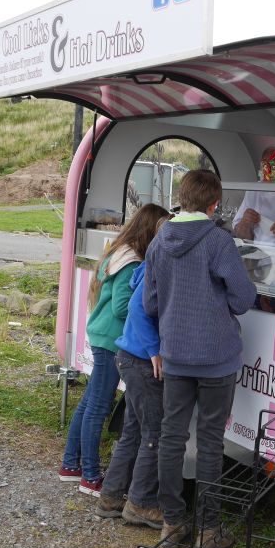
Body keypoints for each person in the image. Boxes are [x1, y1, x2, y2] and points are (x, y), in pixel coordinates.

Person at [143, 169, 256, 548]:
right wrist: (215, 306)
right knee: (210, 442)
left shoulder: (159, 242)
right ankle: (208, 531)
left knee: (171, 438)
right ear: (214, 204)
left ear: (182, 198)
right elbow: (243, 298)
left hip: (175, 355)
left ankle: (172, 524)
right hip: (216, 359)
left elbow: (150, 303)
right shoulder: (219, 242)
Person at [59, 203, 169, 496]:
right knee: (98, 407)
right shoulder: (133, 261)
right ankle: (91, 476)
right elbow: (123, 307)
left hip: (102, 334)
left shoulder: (118, 251)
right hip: (110, 339)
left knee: (89, 403)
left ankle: (71, 465)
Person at [94, 215, 172, 528]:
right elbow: (138, 312)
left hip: (131, 357)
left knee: (134, 431)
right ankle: (140, 504)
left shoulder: (148, 267)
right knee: (154, 433)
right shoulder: (155, 269)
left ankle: (111, 497)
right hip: (141, 361)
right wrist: (154, 350)